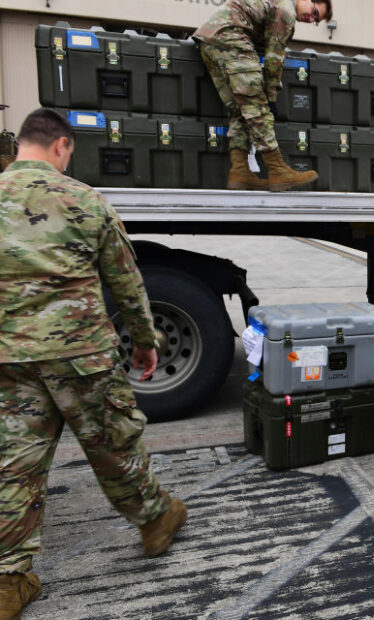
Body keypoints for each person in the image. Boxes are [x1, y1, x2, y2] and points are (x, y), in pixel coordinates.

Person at [0, 109, 189, 619]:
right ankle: (154, 521)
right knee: (112, 443)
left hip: (9, 356)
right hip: (81, 353)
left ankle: (8, 582)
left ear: (21, 145)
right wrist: (146, 342)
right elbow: (126, 281)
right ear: (61, 146)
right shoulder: (85, 200)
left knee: (14, 463)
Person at [194, 0, 332, 192]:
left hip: (209, 41)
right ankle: (277, 171)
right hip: (231, 38)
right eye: (315, 12)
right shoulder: (286, 10)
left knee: (239, 109)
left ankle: (240, 172)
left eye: (316, 19)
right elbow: (274, 58)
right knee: (256, 107)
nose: (312, 19)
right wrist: (271, 96)